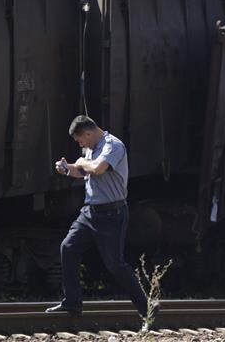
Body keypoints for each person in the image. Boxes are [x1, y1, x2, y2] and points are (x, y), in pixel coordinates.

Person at [46, 115, 148, 320]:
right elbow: (83, 171)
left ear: (88, 133)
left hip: (112, 213)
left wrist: (82, 162)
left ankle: (148, 309)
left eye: (80, 141)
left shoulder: (113, 146)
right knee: (68, 248)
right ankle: (72, 303)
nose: (80, 145)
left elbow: (98, 169)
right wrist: (67, 168)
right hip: (91, 212)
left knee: (115, 265)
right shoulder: (90, 148)